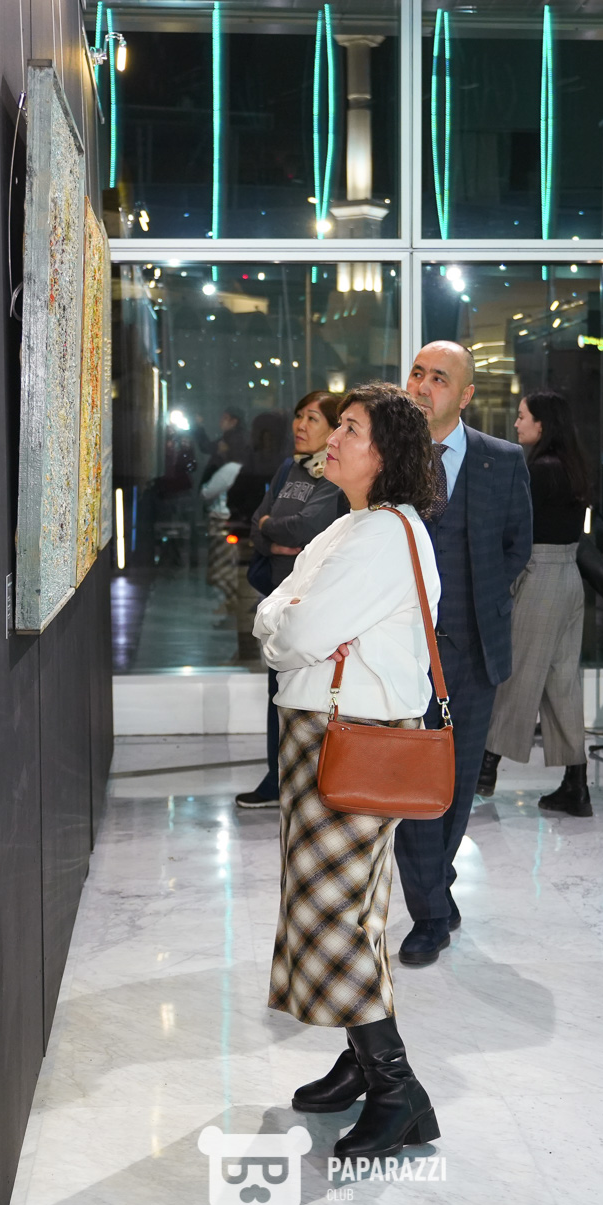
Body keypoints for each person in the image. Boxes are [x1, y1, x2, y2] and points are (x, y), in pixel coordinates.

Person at [253, 383, 442, 1159]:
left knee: (332, 913)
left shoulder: (381, 536)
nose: (332, 438)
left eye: (352, 430)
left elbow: (298, 635)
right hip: (326, 731)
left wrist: (288, 626)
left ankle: (396, 1090)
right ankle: (362, 1063)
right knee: (341, 907)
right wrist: (286, 622)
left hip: (352, 736)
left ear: (385, 454)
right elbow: (275, 611)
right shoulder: (352, 525)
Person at [393, 341, 532, 966]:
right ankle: (430, 915)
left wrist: (480, 604)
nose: (423, 387)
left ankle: (436, 886)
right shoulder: (387, 457)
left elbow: (516, 547)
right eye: (417, 374)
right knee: (412, 789)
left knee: (455, 787)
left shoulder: (502, 460)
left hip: (475, 652)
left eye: (440, 378)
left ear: (467, 394)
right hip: (400, 654)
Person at [477, 391, 592, 816]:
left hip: (540, 574)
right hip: (569, 575)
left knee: (517, 675)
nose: (516, 423)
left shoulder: (539, 471)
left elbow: (515, 528)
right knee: (562, 683)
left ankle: (485, 769)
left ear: (542, 424)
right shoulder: (572, 467)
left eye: (523, 416)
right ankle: (576, 784)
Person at [235, 391, 348, 809]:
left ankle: (313, 781)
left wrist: (277, 531)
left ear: (333, 429)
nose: (300, 425)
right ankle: (276, 778)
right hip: (277, 600)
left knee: (309, 696)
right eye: (299, 416)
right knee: (277, 693)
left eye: (313, 418)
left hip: (311, 604)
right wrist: (272, 537)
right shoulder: (288, 467)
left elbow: (305, 527)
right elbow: (256, 525)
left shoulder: (332, 474)